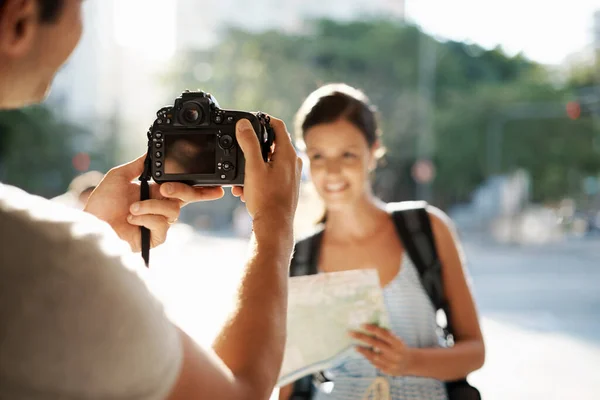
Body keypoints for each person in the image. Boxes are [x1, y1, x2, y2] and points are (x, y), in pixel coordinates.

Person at [0, 1, 302, 399]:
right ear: (20, 20)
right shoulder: (44, 257)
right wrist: (275, 224)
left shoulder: (35, 252)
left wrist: (99, 235)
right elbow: (238, 393)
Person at [279, 83, 485, 400]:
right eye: (318, 156)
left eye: (347, 154)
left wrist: (411, 361)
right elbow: (292, 384)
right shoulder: (299, 257)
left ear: (374, 151)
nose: (332, 171)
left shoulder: (427, 229)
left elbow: (474, 351)